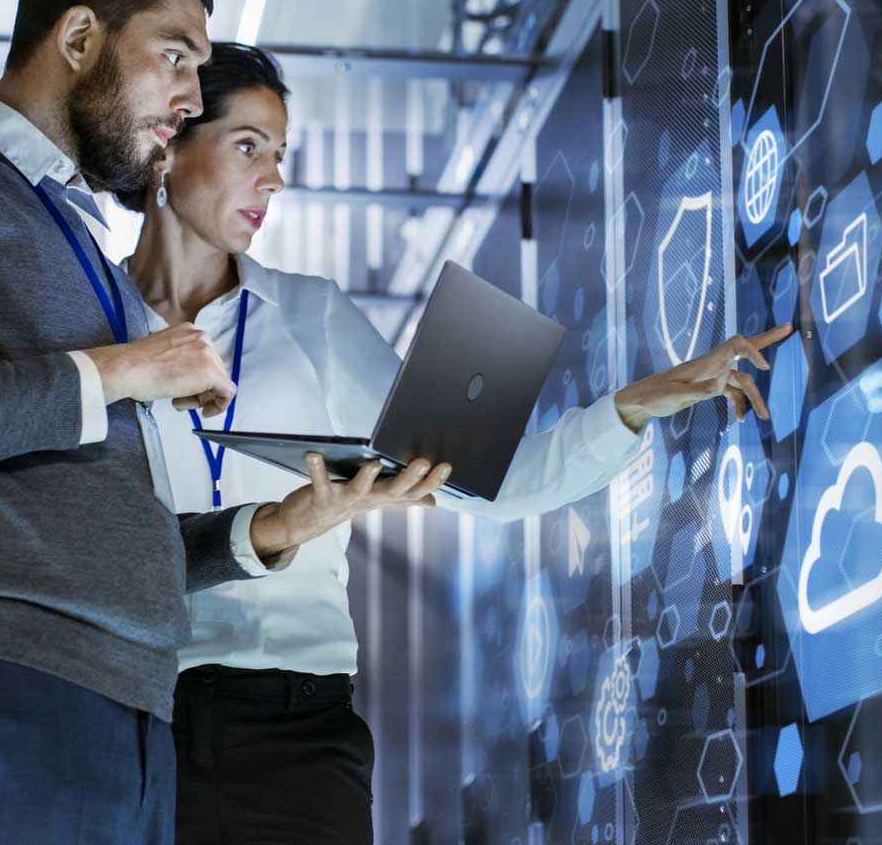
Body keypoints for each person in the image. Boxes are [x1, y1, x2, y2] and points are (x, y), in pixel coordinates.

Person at [0, 0, 445, 844]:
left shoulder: (90, 261)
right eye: (175, 57)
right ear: (78, 40)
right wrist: (128, 368)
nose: (189, 97)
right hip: (11, 690)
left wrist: (277, 529)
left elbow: (116, 533)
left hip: (137, 719)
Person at [119, 42, 793, 844]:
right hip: (136, 716)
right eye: (247, 146)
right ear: (170, 145)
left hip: (296, 727)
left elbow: (488, 483)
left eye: (281, 154)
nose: (274, 178)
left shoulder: (312, 317)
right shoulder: (93, 325)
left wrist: (636, 405)